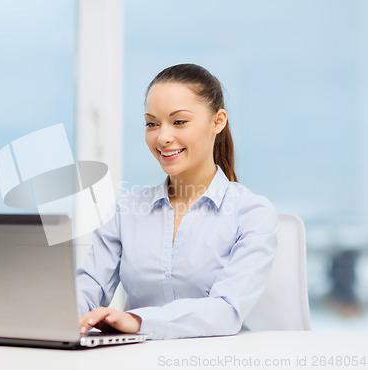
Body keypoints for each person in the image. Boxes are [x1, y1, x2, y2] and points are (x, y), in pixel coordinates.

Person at [76, 63, 278, 340]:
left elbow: (226, 311)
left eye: (179, 121)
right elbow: (90, 284)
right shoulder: (127, 210)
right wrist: (61, 316)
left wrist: (137, 321)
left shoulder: (252, 213)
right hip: (134, 361)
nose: (162, 137)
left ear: (218, 121)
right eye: (152, 123)